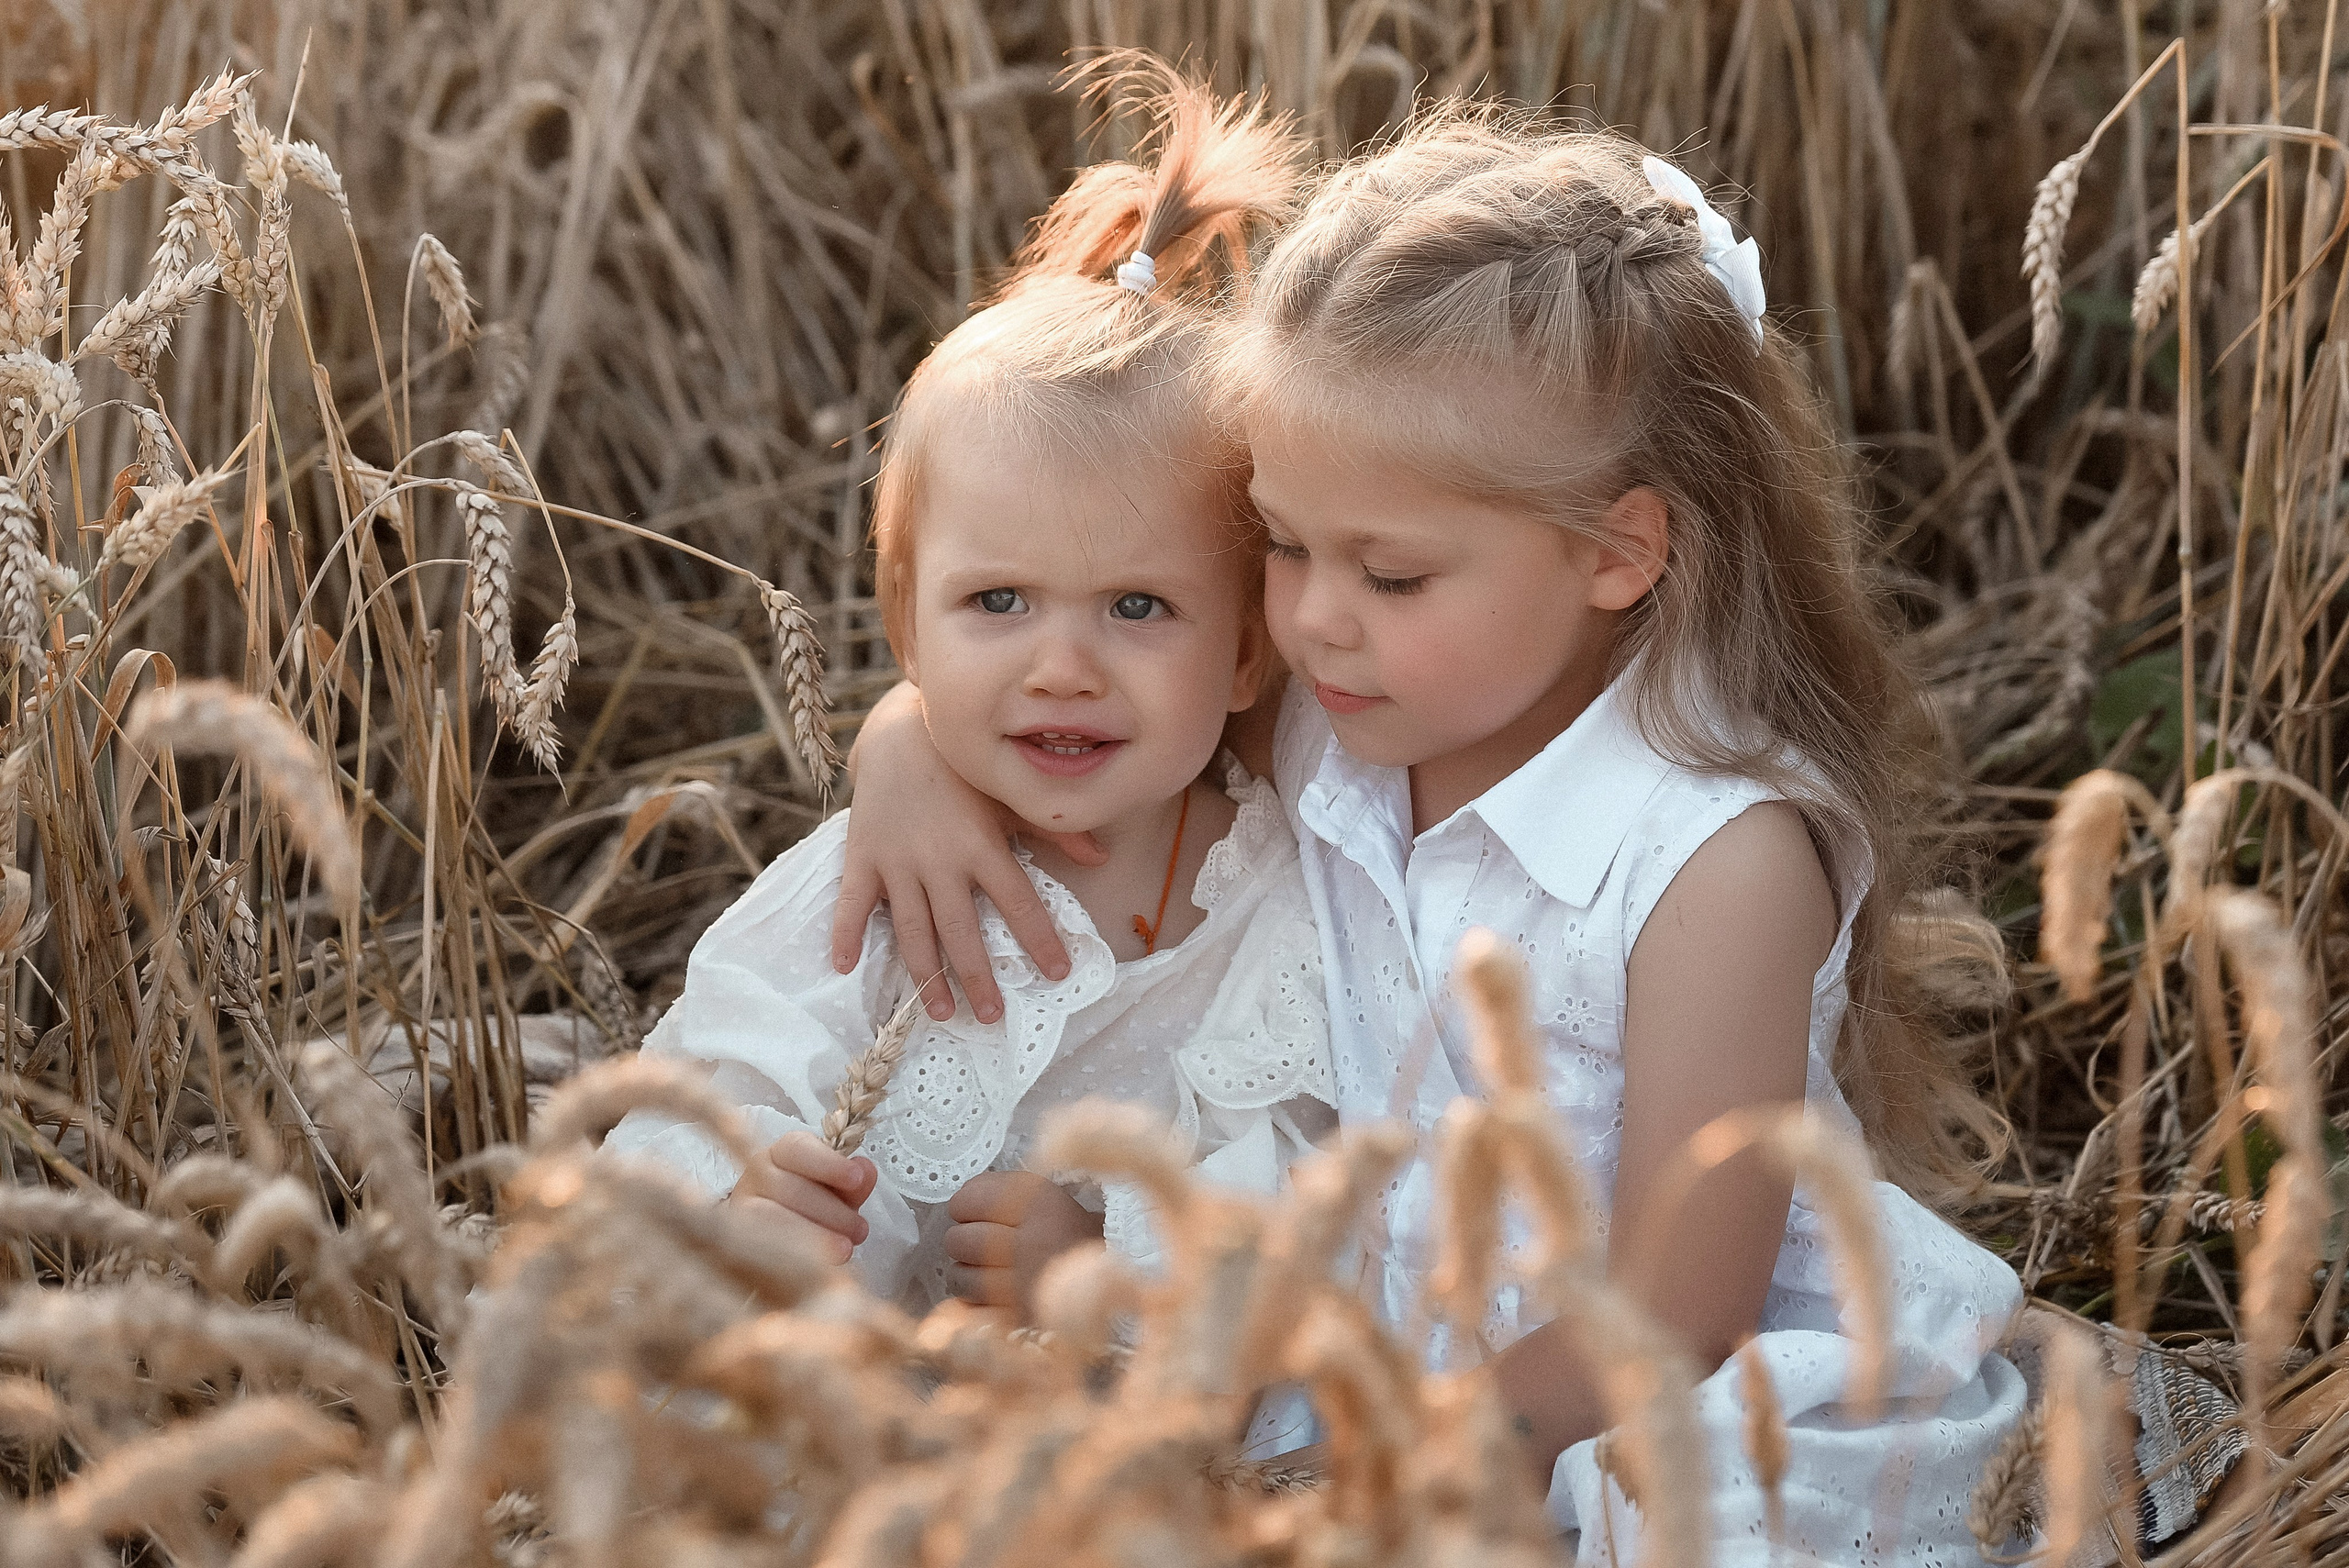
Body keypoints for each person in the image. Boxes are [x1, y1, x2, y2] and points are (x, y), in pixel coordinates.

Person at [835, 110, 2028, 1565]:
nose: (1314, 616)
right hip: (1356, 1381)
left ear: (1616, 553)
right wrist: (903, 744)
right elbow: (1092, 725)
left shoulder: (1715, 864)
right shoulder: (1343, 713)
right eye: (1283, 542)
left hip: (1643, 1423)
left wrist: (1366, 1501)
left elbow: (1673, 1317)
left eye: (1391, 572)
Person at [606, 72, 1334, 1329]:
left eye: (1139, 607)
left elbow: (1325, 1201)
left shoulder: (1285, 907)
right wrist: (732, 1216)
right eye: (999, 602)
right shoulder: (878, 889)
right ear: (907, 630)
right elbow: (697, 1099)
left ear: (1245, 657)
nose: (1063, 665)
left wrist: (1115, 1264)